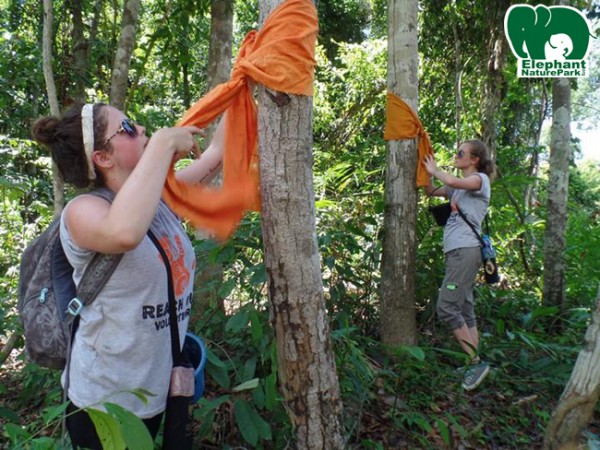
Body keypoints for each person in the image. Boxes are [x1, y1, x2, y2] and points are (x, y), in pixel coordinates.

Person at [31, 102, 224, 448]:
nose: (144, 131)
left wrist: (246, 86)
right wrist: (164, 144)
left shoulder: (159, 199)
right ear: (103, 157)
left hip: (153, 390)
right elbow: (124, 233)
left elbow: (216, 154)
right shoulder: (83, 211)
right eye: (129, 127)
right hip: (105, 402)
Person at [423, 140, 496, 391]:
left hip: (466, 251)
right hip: (457, 252)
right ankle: (471, 364)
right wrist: (424, 168)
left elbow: (453, 182)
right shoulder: (458, 189)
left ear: (474, 159)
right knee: (465, 309)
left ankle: (475, 362)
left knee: (447, 306)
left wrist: (435, 170)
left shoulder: (480, 181)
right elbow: (431, 192)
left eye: (460, 153)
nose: (456, 155)